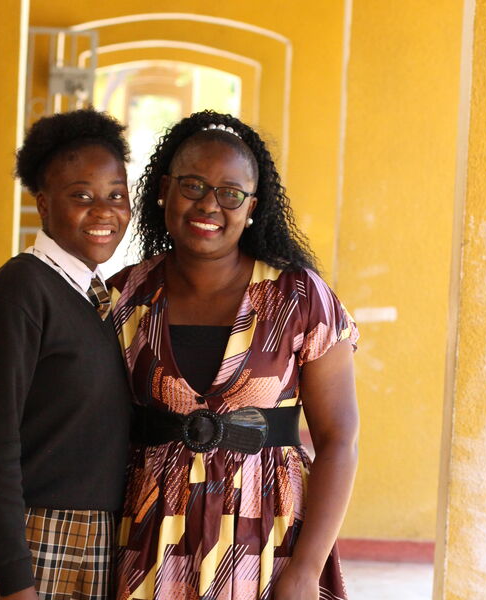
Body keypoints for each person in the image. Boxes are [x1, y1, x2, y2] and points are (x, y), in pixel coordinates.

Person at [108, 111, 359, 600]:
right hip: (148, 542)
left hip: (268, 544)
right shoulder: (124, 299)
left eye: (230, 193)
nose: (209, 205)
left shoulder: (299, 298)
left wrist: (306, 569)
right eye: (193, 185)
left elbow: (339, 440)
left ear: (251, 208)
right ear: (164, 189)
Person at [0, 109, 133, 600]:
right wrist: (17, 582)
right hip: (19, 548)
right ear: (43, 203)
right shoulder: (18, 294)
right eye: (81, 195)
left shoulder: (94, 297)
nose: (104, 210)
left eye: (116, 195)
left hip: (87, 544)